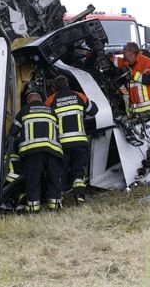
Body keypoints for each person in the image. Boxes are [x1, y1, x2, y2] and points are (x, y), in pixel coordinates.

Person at [45, 75, 98, 206]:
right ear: (68, 83)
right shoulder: (79, 96)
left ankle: (59, 199)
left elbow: (45, 120)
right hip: (79, 141)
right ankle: (80, 198)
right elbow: (94, 111)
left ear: (54, 87)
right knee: (79, 170)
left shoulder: (50, 99)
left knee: (61, 170)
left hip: (61, 144)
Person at [8, 90, 63, 212]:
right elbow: (58, 130)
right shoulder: (51, 111)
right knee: (53, 179)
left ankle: (33, 208)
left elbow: (13, 132)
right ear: (41, 100)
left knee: (33, 180)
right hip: (53, 151)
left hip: (32, 152)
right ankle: (55, 207)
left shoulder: (24, 111)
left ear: (28, 101)